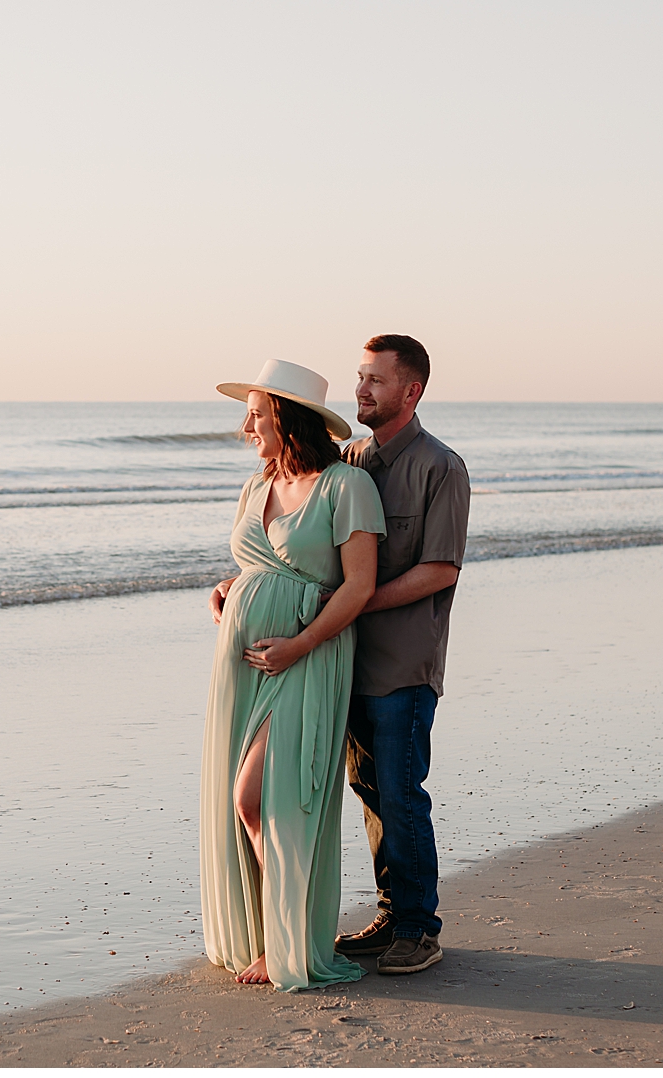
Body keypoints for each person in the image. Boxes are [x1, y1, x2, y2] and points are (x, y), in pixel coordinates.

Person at [200, 358, 385, 991]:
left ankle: (288, 942)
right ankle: (264, 937)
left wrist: (299, 644)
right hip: (244, 661)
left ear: (285, 416)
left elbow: (357, 586)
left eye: (254, 414)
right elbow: (257, 563)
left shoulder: (345, 487)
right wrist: (229, 589)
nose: (244, 426)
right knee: (248, 803)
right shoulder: (258, 485)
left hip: (307, 657)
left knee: (268, 798)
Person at [332, 334, 471, 976]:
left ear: (410, 391)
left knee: (401, 792)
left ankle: (420, 928)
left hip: (404, 664)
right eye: (359, 378)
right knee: (369, 790)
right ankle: (392, 913)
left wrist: (358, 601)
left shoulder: (442, 466)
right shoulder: (350, 460)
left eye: (375, 381)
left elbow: (439, 570)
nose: (361, 390)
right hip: (347, 661)